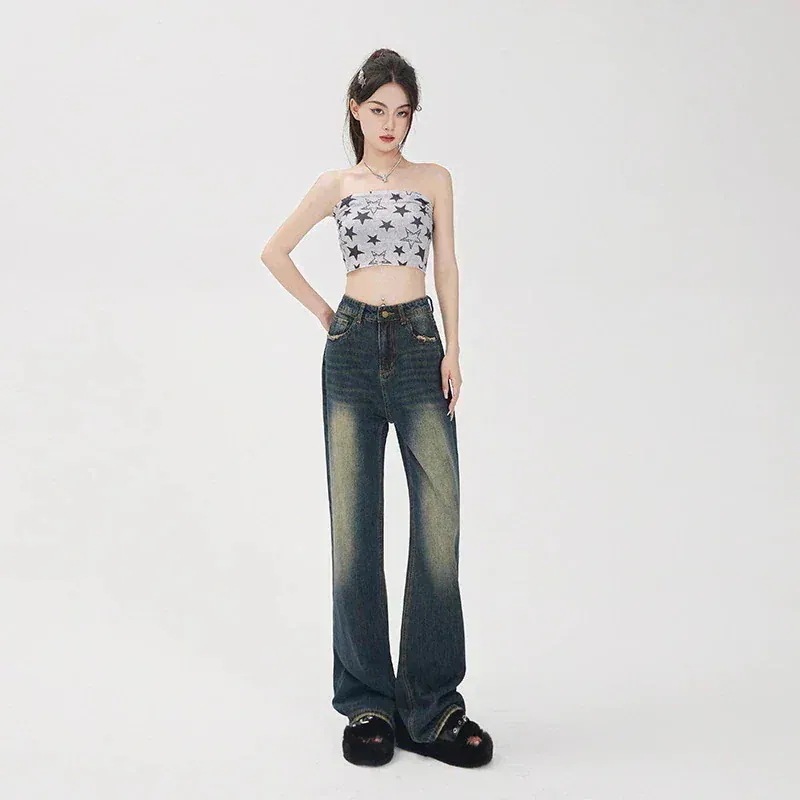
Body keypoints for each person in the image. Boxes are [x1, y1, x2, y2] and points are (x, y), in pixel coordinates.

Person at [260, 48, 493, 769]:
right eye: (378, 109)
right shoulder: (336, 185)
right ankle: (367, 703)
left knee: (439, 525)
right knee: (355, 530)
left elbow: (446, 262)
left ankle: (432, 705)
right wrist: (327, 315)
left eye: (403, 111)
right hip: (353, 352)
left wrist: (454, 347)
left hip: (421, 347)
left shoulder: (433, 179)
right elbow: (274, 252)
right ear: (356, 111)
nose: (391, 124)